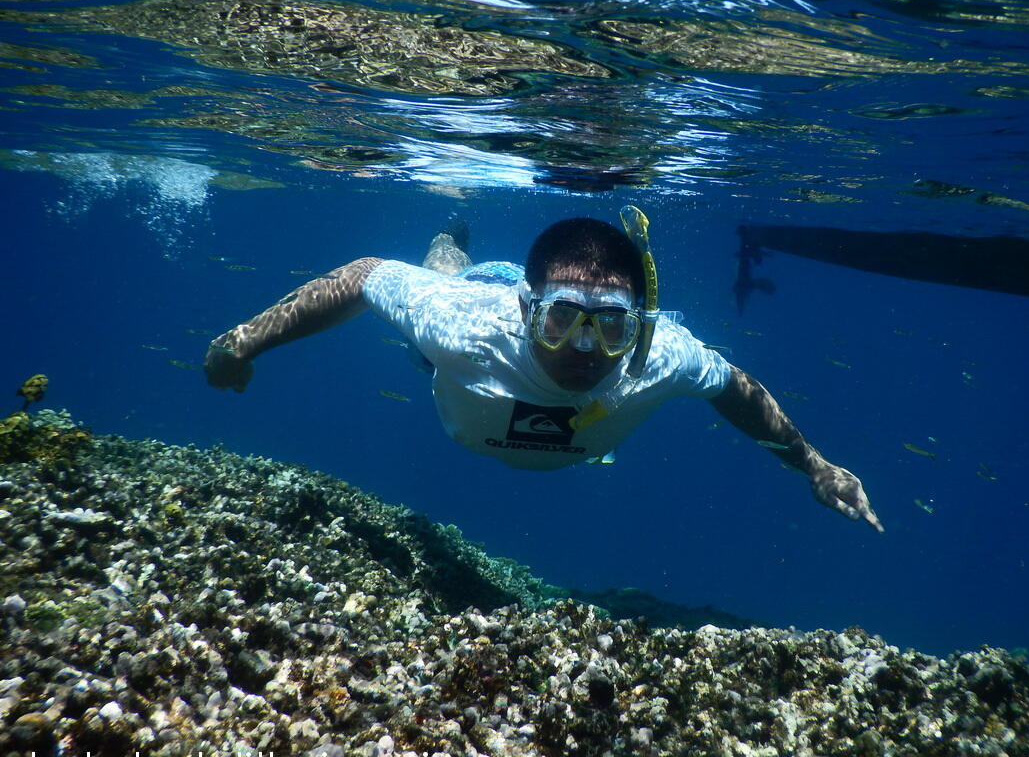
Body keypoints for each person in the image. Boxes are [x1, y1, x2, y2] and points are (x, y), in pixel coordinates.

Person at [204, 212, 882, 532]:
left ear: (638, 326)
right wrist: (243, 342)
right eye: (563, 320)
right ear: (529, 312)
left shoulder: (660, 353)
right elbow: (362, 275)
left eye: (611, 324)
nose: (585, 348)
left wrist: (816, 465)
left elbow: (736, 389)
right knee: (447, 277)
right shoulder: (464, 328)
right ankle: (448, 239)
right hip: (476, 298)